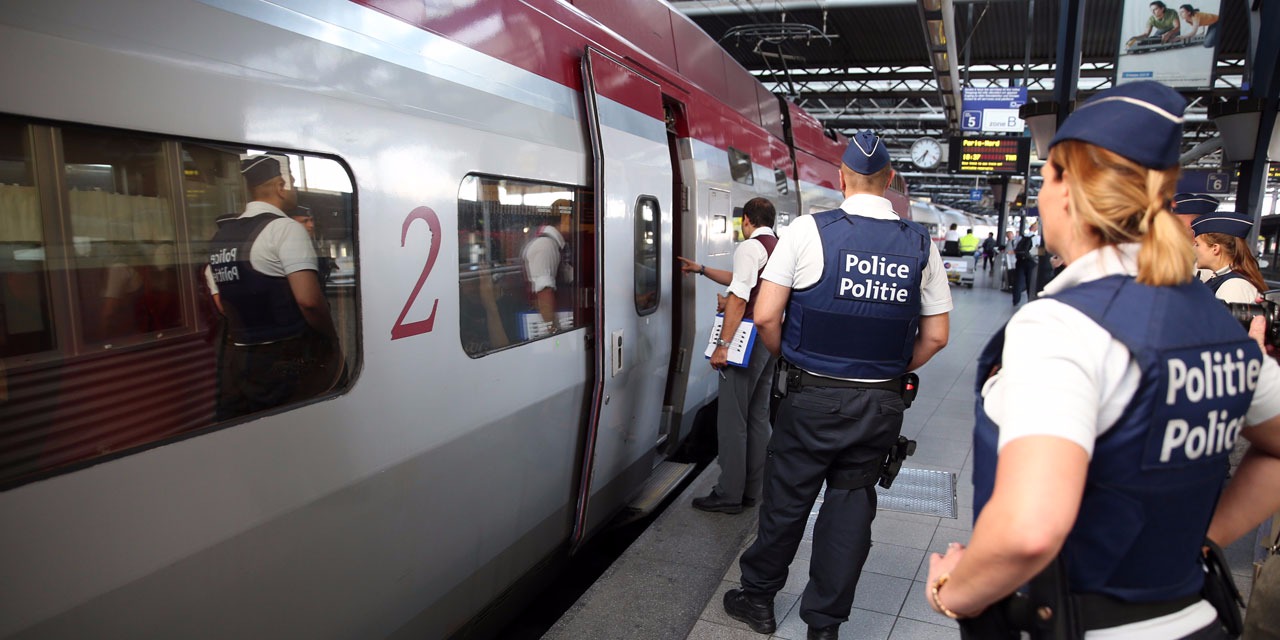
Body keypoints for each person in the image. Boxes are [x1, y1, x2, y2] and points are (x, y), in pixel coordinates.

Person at [923, 80, 1280, 639]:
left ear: (1068, 187)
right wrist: (1199, 536)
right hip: (1198, 620)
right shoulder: (1218, 322)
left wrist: (954, 591)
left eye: (1043, 179)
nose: (1039, 198)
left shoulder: (1066, 323)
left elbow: (1030, 531)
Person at [722, 131, 952, 640]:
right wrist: (887, 368)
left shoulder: (807, 231)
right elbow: (937, 336)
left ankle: (757, 599)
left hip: (811, 397)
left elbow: (764, 316)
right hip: (881, 404)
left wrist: (793, 358)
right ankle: (824, 627)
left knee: (787, 500)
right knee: (850, 509)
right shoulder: (919, 244)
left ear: (842, 177)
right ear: (890, 180)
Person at [207, 155, 341, 420]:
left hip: (239, 361)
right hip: (283, 361)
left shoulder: (221, 237)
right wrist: (331, 339)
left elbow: (223, 302)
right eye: (291, 181)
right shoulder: (284, 229)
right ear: (282, 186)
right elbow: (309, 302)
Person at [676, 197, 779, 514]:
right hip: (769, 339)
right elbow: (744, 281)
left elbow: (738, 296)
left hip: (745, 341)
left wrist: (723, 344)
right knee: (758, 417)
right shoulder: (775, 246)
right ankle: (752, 490)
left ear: (746, 219)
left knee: (733, 419)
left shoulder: (749, 247)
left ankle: (729, 493)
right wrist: (702, 270)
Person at [1192, 211, 1266, 304]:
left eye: (1197, 244)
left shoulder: (1233, 287)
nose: (1194, 249)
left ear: (1215, 248)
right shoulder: (1223, 280)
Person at [522, 200, 572, 337]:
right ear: (565, 218)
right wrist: (555, 335)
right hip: (542, 331)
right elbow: (544, 294)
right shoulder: (546, 246)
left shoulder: (554, 244)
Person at [288, 206, 336, 292]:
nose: (311, 225)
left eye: (312, 220)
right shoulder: (289, 248)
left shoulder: (314, 245)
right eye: (305, 221)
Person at [1011, 224, 1037, 305]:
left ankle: (1015, 300)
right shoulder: (1036, 238)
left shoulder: (1020, 237)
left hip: (1020, 261)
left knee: (1018, 281)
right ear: (1035, 229)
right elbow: (1038, 251)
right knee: (1030, 281)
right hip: (1031, 262)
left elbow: (1015, 248)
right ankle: (1030, 300)